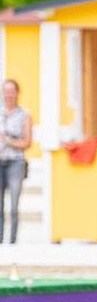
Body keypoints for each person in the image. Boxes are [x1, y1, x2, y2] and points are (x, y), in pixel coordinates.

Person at [0, 79, 32, 244]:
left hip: (15, 163)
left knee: (13, 205)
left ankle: (12, 242)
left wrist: (7, 141)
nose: (8, 95)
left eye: (11, 91)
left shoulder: (24, 115)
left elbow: (27, 143)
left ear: (17, 93)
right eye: (6, 91)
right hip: (0, 162)